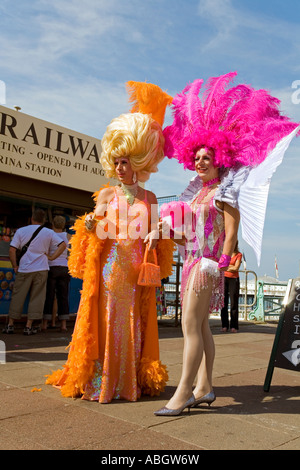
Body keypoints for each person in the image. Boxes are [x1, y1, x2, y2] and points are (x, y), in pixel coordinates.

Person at [154, 72, 300, 416]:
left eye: (208, 157)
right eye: (198, 157)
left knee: (190, 325)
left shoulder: (225, 191)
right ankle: (205, 386)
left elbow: (231, 233)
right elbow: (190, 233)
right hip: (192, 260)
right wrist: (168, 233)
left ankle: (184, 393)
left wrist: (220, 262)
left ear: (219, 157)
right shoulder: (197, 192)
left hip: (206, 266)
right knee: (201, 325)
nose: (202, 162)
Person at [45, 82, 175, 403]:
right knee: (107, 315)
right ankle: (104, 378)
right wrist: (89, 224)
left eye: (126, 161)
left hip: (136, 270)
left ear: (140, 162)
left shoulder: (151, 197)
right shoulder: (106, 193)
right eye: (116, 161)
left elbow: (157, 230)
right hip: (110, 267)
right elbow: (94, 224)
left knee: (133, 317)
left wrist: (158, 230)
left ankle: (130, 379)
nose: (120, 167)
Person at [2, 209, 67, 335]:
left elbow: (11, 250)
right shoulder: (48, 232)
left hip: (24, 268)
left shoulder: (21, 231)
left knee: (18, 296)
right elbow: (63, 245)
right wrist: (52, 257)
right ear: (43, 221)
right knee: (37, 297)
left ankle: (10, 324)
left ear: (32, 218)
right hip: (41, 269)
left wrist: (15, 265)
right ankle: (28, 326)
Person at [42, 215, 70, 332]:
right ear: (64, 225)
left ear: (53, 224)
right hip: (64, 268)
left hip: (51, 267)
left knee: (49, 295)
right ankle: (63, 324)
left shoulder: (48, 235)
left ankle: (45, 323)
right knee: (63, 296)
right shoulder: (68, 236)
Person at [221, 242, 242, 333]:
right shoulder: (225, 254)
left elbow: (236, 268)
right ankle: (224, 325)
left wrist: (226, 267)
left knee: (234, 303)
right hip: (224, 279)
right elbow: (220, 265)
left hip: (234, 279)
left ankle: (234, 326)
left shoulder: (238, 255)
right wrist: (229, 267)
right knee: (223, 303)